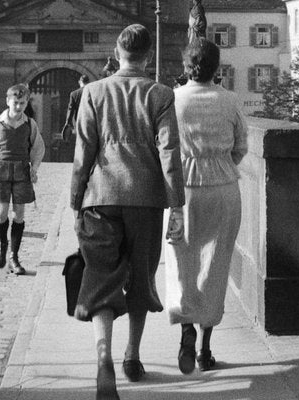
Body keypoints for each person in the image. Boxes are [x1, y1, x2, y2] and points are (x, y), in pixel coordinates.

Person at [70, 24, 185, 400]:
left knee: (100, 281)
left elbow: (83, 153)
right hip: (146, 199)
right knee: (141, 279)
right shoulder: (160, 94)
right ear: (148, 57)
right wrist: (177, 206)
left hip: (100, 197)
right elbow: (169, 153)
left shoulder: (92, 92)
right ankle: (132, 357)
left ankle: (103, 359)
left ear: (117, 54)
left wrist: (76, 202)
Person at [165, 37, 248, 374]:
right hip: (223, 190)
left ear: (187, 67)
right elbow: (241, 147)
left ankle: (185, 328)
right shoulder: (229, 101)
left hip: (181, 191)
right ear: (217, 68)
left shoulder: (172, 100)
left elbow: (164, 147)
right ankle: (205, 347)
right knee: (216, 265)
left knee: (179, 261)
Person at [0, 83, 45, 275]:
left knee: (19, 215)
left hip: (22, 173)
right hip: (1, 173)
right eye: (15, 102)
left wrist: (35, 168)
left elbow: (38, 148)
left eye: (22, 103)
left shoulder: (30, 124)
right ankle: (3, 246)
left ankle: (14, 257)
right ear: (8, 101)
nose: (19, 106)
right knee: (1, 214)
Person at [62, 74, 90, 140]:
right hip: (91, 120)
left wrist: (68, 122)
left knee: (81, 140)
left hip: (79, 120)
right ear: (88, 82)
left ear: (80, 82)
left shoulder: (74, 94)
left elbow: (70, 109)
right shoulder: (93, 92)